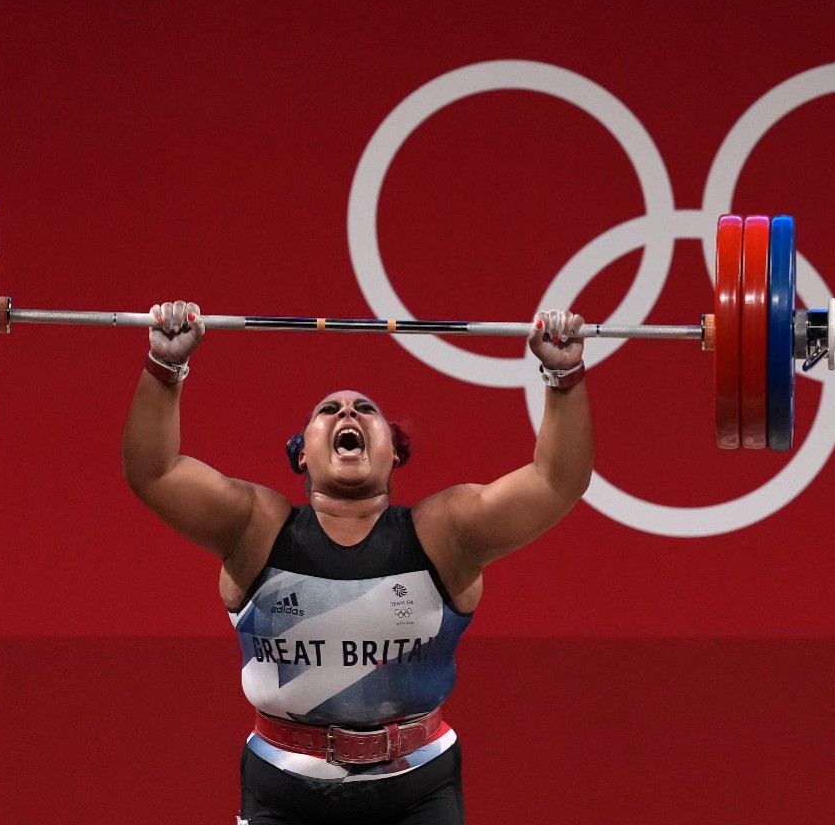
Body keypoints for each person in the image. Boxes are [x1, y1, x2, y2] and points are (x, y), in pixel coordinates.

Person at [122, 300, 593, 825]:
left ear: (395, 452)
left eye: (365, 409)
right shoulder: (256, 528)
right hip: (284, 790)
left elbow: (556, 483)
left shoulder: (444, 534)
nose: (347, 413)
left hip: (417, 790)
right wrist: (165, 367)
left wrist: (564, 375)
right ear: (303, 454)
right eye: (329, 410)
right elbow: (155, 473)